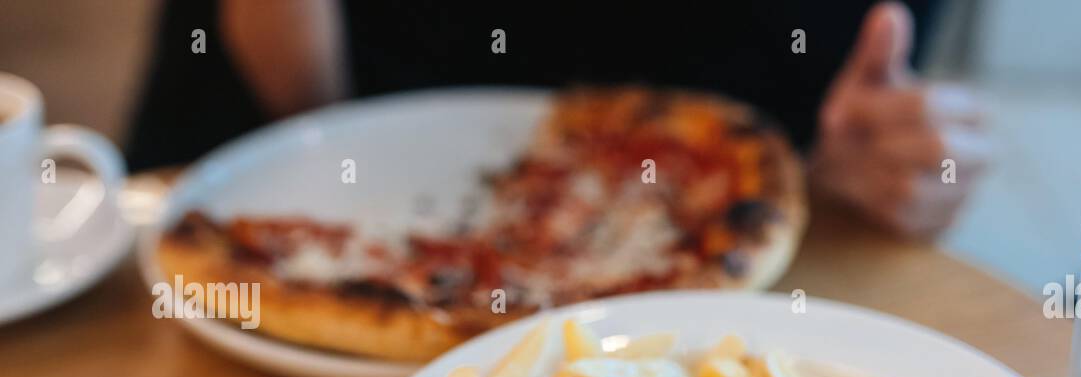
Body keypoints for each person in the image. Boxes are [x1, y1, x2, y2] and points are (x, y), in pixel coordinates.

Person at [128, 1, 989, 238]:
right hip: (283, 206)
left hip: (701, 289)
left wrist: (889, 161)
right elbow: (242, 128)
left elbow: (859, 103)